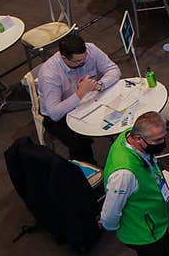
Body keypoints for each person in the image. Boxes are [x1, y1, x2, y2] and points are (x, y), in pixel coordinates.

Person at [101, 112, 169, 256]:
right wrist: (112, 226)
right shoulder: (124, 174)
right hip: (145, 232)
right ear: (138, 139)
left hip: (152, 217)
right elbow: (109, 215)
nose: (163, 143)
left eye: (164, 137)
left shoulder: (128, 135)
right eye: (157, 140)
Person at [36, 32, 121, 164]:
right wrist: (80, 93)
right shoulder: (49, 75)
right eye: (78, 61)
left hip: (88, 98)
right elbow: (54, 113)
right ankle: (89, 170)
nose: (84, 62)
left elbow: (113, 70)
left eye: (84, 57)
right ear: (64, 58)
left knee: (119, 113)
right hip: (60, 114)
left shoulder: (91, 50)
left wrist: (99, 85)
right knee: (79, 144)